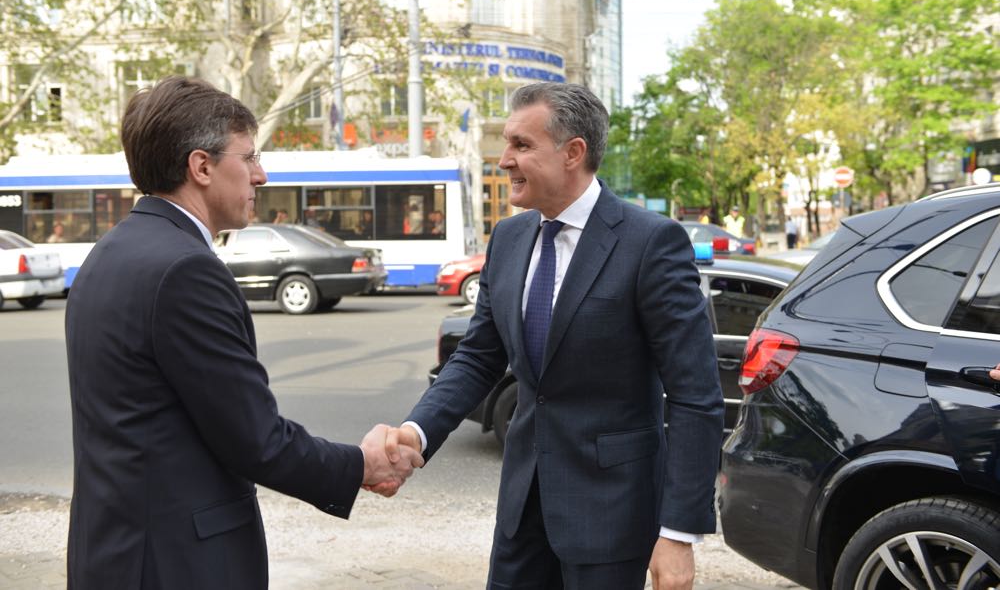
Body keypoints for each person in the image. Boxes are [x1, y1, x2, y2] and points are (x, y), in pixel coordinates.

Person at [64, 76, 422, 589]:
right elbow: (254, 439)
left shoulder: (108, 253)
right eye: (249, 156)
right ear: (202, 166)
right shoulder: (187, 270)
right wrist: (359, 465)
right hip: (176, 565)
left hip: (113, 553)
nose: (261, 174)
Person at [382, 82, 724, 589]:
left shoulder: (651, 242)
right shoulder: (510, 237)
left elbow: (697, 396)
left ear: (573, 153)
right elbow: (478, 357)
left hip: (614, 517)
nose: (505, 161)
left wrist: (678, 531)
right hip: (522, 512)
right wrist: (416, 432)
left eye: (521, 145)